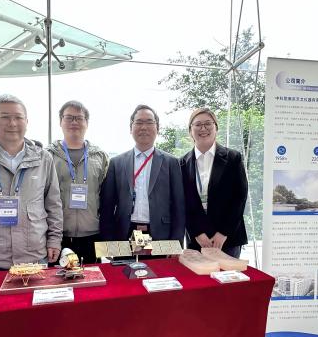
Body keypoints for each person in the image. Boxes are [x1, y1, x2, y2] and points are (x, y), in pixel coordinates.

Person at [0, 94, 62, 271]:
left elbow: (53, 205)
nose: (12, 123)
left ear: (27, 122)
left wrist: (54, 240)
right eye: (5, 117)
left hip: (34, 257)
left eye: (18, 117)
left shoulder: (44, 159)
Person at [100, 104, 185, 243]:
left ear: (157, 128)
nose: (144, 127)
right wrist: (107, 240)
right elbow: (107, 206)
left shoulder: (172, 163)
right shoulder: (116, 163)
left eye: (149, 122)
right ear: (131, 128)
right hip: (124, 233)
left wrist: (177, 242)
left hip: (161, 234)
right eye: (139, 122)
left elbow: (179, 206)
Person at [180, 108, 248, 258]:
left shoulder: (233, 158)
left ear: (216, 127)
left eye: (208, 123)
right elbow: (182, 202)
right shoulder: (182, 163)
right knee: (198, 274)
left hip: (228, 239)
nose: (203, 128)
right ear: (190, 130)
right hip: (197, 240)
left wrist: (223, 233)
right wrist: (197, 233)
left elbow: (240, 197)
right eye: (198, 124)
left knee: (229, 274)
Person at [47, 101, 109, 264]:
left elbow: (107, 197)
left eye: (79, 118)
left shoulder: (100, 156)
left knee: (93, 278)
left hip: (92, 235)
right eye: (69, 117)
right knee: (57, 279)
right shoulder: (48, 156)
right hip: (57, 237)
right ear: (60, 121)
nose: (74, 122)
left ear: (86, 123)